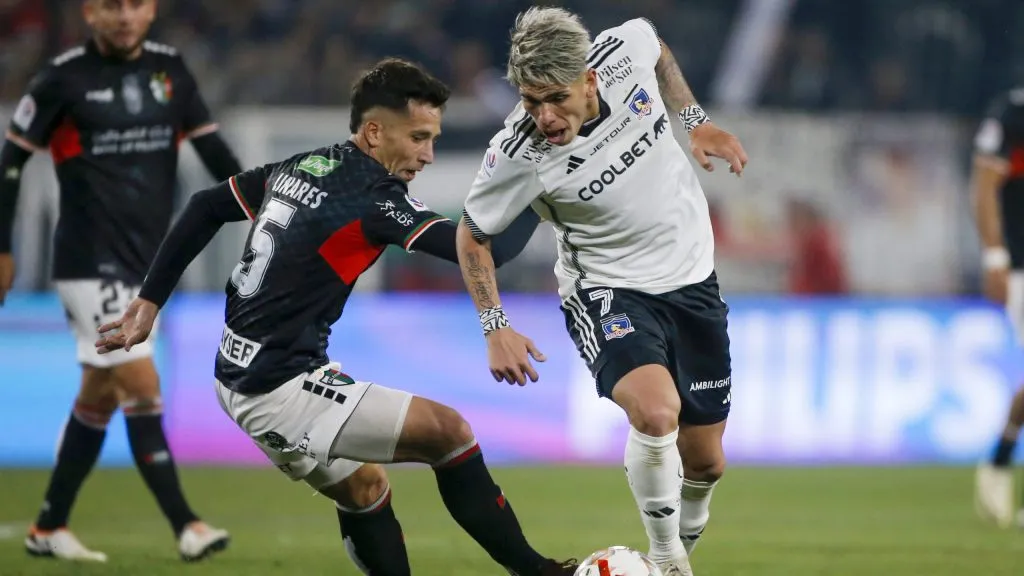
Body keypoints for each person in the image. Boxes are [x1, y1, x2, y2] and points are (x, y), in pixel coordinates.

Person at [94, 57, 575, 576]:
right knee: (449, 432)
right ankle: (540, 573)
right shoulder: (374, 199)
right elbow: (487, 250)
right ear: (374, 132)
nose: (428, 155)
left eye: (432, 138)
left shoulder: (305, 164)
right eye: (418, 137)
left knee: (365, 488)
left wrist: (150, 299)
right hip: (280, 388)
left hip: (238, 376)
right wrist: (539, 187)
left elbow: (206, 206)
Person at [454, 8, 748, 575]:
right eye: (530, 100)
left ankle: (673, 557)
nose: (543, 116)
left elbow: (657, 45)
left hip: (693, 281)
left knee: (706, 464)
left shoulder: (623, 53)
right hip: (607, 290)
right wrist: (494, 326)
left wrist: (694, 120)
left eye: (555, 98)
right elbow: (472, 236)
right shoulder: (516, 153)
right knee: (656, 412)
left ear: (590, 79)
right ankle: (667, 562)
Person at [0, 0, 239, 562]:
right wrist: (2, 248)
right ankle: (188, 523)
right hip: (89, 260)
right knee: (139, 381)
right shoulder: (62, 78)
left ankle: (48, 527)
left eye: (135, 5)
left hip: (147, 262)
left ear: (152, 10)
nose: (125, 16)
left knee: (101, 392)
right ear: (90, 12)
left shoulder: (171, 71)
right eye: (112, 6)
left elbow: (213, 150)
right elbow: (10, 163)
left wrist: (272, 203)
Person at [971, 85, 1024, 529]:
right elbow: (984, 183)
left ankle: (1000, 459)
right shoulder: (1014, 109)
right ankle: (999, 462)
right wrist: (995, 256)